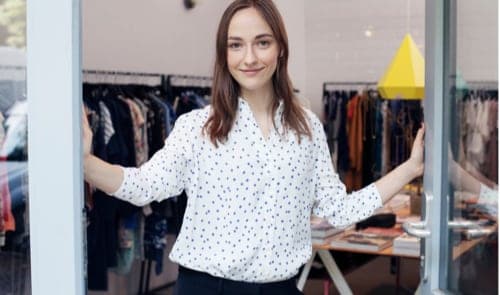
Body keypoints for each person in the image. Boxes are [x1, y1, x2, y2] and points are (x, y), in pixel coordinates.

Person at [82, 0, 424, 294]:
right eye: (235, 45)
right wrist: (83, 161)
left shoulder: (307, 129)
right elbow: (144, 186)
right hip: (206, 288)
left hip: (281, 289)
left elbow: (339, 210)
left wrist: (410, 167)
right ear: (223, 53)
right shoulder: (197, 127)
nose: (249, 58)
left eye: (262, 42)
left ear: (280, 49)